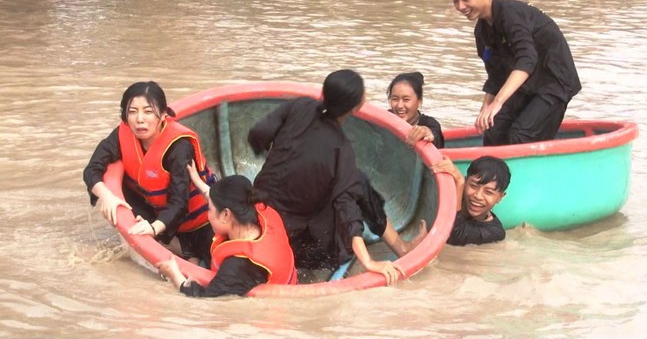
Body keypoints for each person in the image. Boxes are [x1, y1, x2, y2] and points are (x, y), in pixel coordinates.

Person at [247, 69, 422, 285]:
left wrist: (285, 158)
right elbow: (347, 209)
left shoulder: (300, 106)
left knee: (349, 181)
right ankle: (400, 246)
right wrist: (368, 261)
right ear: (356, 107)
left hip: (254, 215)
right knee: (358, 182)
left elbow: (257, 135)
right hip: (293, 243)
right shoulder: (341, 149)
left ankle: (399, 245)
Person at [83, 81, 216, 266]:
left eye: (148, 111)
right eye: (132, 112)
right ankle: (182, 250)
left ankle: (188, 252)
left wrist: (152, 229)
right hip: (164, 218)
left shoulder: (179, 147)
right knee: (122, 187)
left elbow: (180, 203)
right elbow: (92, 169)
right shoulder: (123, 134)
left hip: (203, 223)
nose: (139, 119)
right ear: (125, 116)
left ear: (162, 114)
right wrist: (107, 196)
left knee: (216, 266)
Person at [447, 0, 582, 146]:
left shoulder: (511, 13)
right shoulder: (482, 31)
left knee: (520, 134)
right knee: (492, 130)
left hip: (554, 80)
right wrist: (486, 107)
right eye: (455, 1)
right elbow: (495, 76)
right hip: (526, 83)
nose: (461, 7)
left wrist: (498, 102)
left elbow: (527, 59)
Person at [156, 171, 297, 297]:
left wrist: (174, 274)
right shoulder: (261, 210)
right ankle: (193, 254)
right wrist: (198, 182)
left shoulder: (238, 267)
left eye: (209, 209)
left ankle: (191, 255)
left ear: (225, 215)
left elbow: (205, 300)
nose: (208, 215)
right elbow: (229, 201)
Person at [431, 155, 510, 245]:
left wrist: (459, 182)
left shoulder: (495, 233)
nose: (478, 196)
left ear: (500, 197)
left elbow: (453, 236)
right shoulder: (452, 194)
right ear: (466, 181)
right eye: (473, 186)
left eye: (488, 192)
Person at [387, 72, 445, 149]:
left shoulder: (430, 124)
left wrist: (426, 133)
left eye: (406, 99)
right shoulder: (384, 120)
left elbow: (436, 139)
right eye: (395, 99)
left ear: (419, 101)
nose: (400, 105)